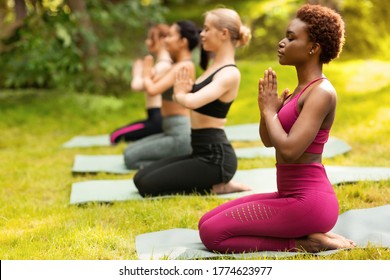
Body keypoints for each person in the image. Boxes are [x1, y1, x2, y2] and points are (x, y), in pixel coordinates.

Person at [198, 4, 357, 253]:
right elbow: (268, 140)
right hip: (289, 196)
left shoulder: (321, 92)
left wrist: (272, 112)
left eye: (291, 38)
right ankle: (307, 236)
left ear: (313, 48)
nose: (282, 43)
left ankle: (304, 243)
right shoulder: (299, 91)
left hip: (308, 203)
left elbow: (291, 150)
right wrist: (267, 112)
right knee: (205, 222)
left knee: (213, 235)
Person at [134, 8, 252, 197]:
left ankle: (217, 186)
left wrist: (181, 94)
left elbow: (192, 101)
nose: (202, 34)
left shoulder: (230, 73)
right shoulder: (213, 68)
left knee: (146, 186)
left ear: (224, 34)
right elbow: (182, 97)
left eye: (206, 29)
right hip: (198, 151)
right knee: (139, 177)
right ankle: (214, 184)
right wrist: (181, 93)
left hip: (215, 158)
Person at [122, 20, 200, 169]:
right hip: (169, 130)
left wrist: (144, 74)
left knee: (130, 158)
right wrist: (148, 74)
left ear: (183, 42)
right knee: (128, 151)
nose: (166, 40)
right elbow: (153, 82)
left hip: (180, 135)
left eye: (170, 36)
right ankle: (174, 161)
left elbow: (152, 89)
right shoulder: (176, 65)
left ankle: (175, 164)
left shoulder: (184, 66)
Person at [110, 24, 172, 144]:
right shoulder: (163, 64)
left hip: (157, 119)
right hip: (154, 117)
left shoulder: (163, 66)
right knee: (115, 136)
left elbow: (137, 86)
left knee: (115, 136)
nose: (147, 41)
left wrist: (137, 72)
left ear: (162, 40)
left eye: (151, 38)